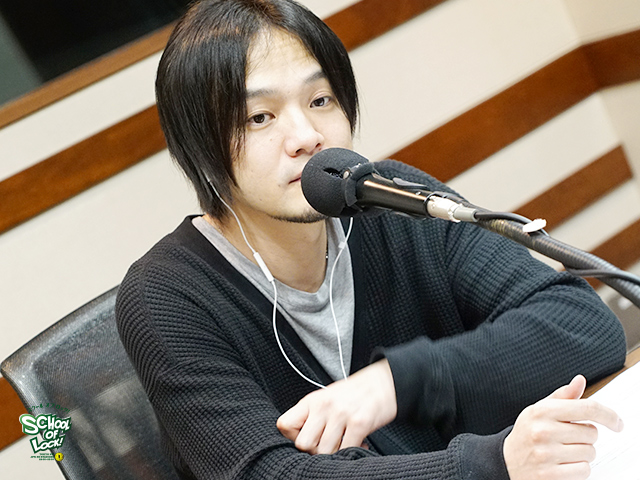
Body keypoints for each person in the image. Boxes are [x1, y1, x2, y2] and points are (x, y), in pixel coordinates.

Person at [115, 1, 627, 478]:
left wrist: (395, 383)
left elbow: (584, 325)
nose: (307, 137)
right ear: (199, 148)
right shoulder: (163, 299)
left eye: (320, 100)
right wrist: (489, 464)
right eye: (259, 117)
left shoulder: (394, 200)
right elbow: (268, 474)